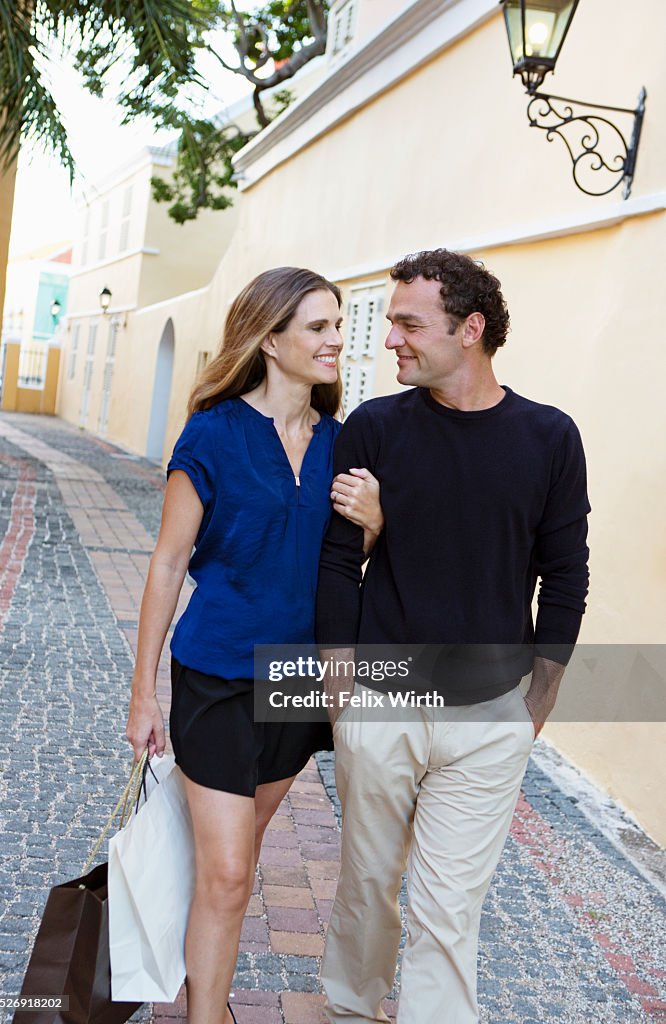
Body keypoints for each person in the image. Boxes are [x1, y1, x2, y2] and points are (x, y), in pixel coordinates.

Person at [316, 248, 590, 1024]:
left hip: (487, 719)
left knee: (448, 906)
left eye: (409, 322)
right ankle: (349, 1006)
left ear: (471, 329)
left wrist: (539, 699)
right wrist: (340, 693)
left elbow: (565, 574)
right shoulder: (374, 428)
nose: (390, 338)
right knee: (367, 885)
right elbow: (338, 565)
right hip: (381, 703)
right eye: (392, 321)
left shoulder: (548, 438)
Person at [126, 266, 383, 1024]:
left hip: (302, 684)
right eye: (318, 327)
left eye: (339, 324)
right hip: (218, 674)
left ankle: (203, 978)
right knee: (232, 872)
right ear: (269, 340)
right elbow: (169, 562)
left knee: (224, 864)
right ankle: (210, 1014)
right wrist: (144, 691)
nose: (337, 338)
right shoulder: (213, 432)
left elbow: (355, 564)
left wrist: (376, 522)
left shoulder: (346, 442)